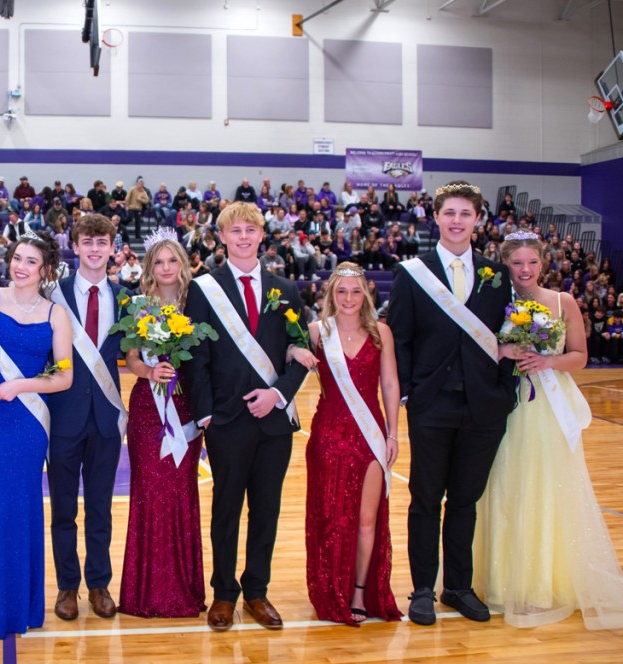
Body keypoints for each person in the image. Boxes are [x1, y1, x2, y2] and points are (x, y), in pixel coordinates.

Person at [474, 233, 623, 630]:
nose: (525, 270)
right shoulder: (494, 301)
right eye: (517, 264)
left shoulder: (563, 302)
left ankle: (540, 583)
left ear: (543, 263)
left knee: (544, 487)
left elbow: (580, 356)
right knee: (504, 486)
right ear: (506, 265)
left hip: (548, 410)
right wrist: (505, 352)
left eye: (532, 263)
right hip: (506, 407)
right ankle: (500, 581)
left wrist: (547, 361)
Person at [387, 181, 515, 626]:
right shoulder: (412, 273)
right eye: (450, 213)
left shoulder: (497, 275)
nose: (457, 221)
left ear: (478, 220)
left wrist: (503, 392)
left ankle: (458, 586)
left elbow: (508, 336)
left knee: (465, 500)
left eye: (466, 214)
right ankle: (423, 588)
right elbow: (399, 339)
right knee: (425, 499)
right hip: (432, 405)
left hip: (483, 406)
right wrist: (408, 394)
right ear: (436, 218)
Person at [185, 201, 309, 632]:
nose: (242, 237)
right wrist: (205, 416)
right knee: (226, 509)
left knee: (267, 509)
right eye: (234, 231)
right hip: (226, 421)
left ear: (262, 235)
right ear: (221, 237)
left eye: (250, 230)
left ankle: (257, 591)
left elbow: (299, 356)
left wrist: (278, 394)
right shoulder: (203, 288)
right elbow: (195, 359)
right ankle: (223, 593)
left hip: (274, 420)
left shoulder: (286, 290)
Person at [0, 232, 73, 639]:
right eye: (17, 258)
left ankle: (20, 604)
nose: (20, 266)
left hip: (28, 419)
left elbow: (63, 376)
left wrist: (20, 386)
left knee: (23, 504)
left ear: (45, 270)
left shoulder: (55, 314)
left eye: (31, 261)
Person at [295, 263, 404, 625]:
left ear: (366, 294)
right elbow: (282, 359)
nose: (349, 298)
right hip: (327, 437)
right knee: (331, 519)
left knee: (366, 520)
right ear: (330, 295)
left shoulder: (381, 333)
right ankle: (331, 589)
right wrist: (293, 354)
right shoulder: (315, 332)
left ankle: (359, 590)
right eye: (341, 291)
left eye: (356, 291)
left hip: (369, 435)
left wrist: (392, 433)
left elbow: (390, 385)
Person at [47, 214, 130, 621]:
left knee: (100, 507)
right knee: (63, 508)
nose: (95, 249)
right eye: (87, 242)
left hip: (106, 420)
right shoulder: (51, 295)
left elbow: (134, 356)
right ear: (75, 247)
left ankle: (99, 583)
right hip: (62, 418)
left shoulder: (127, 298)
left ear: (112, 248)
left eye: (102, 242)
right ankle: (67, 586)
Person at [118, 231, 205, 618]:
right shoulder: (137, 306)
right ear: (149, 267)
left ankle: (181, 589)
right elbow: (131, 359)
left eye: (172, 261)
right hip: (147, 408)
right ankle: (144, 591)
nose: (166, 268)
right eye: (159, 262)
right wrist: (150, 370)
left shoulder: (198, 303)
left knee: (181, 492)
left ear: (182, 264)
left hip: (186, 407)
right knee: (148, 493)